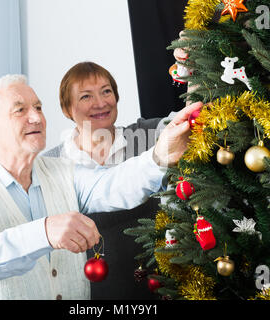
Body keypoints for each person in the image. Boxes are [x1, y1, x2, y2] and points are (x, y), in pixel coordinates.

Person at [0, 74, 202, 300]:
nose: (37, 118)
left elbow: (114, 184)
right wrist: (43, 232)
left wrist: (160, 155)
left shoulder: (62, 171)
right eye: (20, 110)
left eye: (38, 107)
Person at [44, 61, 178, 299]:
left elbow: (188, 120)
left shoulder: (147, 136)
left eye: (106, 91)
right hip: (88, 293)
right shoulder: (51, 164)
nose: (100, 103)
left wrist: (190, 65)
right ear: (67, 109)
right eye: (86, 96)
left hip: (157, 287)